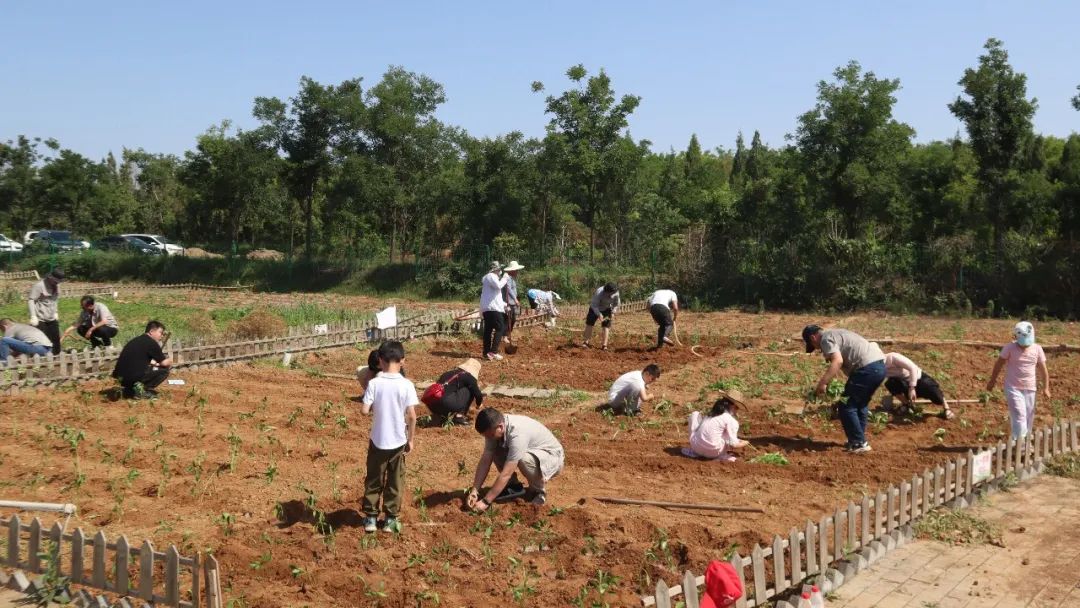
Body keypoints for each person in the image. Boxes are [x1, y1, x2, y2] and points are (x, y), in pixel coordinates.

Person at [360, 340, 418, 532]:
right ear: (402, 360)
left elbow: (364, 411)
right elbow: (411, 416)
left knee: (374, 478)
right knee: (395, 480)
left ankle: (370, 518)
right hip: (398, 441)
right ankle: (391, 519)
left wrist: (372, 403)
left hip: (378, 440)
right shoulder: (407, 385)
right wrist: (410, 439)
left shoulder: (374, 383)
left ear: (380, 361)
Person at [803, 324, 886, 454]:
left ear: (813, 337)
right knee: (860, 404)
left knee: (846, 405)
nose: (818, 349)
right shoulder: (837, 333)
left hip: (867, 368)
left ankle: (859, 443)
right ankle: (858, 439)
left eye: (814, 346)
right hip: (879, 367)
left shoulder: (825, 339)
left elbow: (837, 361)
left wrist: (823, 383)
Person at [468, 407, 564, 510]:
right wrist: (475, 491)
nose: (489, 438)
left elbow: (506, 474)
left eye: (490, 435)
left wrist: (486, 501)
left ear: (500, 427)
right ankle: (513, 485)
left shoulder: (517, 434)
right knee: (494, 448)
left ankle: (539, 492)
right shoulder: (495, 427)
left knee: (522, 458)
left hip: (551, 457)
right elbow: (486, 458)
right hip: (533, 451)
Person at [985, 321, 1050, 439]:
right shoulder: (1009, 348)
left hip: (1030, 388)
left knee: (1028, 417)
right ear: (1016, 337)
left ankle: (1023, 441)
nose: (1024, 345)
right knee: (1020, 415)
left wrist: (1046, 388)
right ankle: (1020, 445)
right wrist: (992, 381)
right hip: (1013, 387)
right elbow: (998, 364)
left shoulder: (1037, 349)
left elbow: (1043, 370)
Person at [882, 350, 953, 420]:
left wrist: (912, 388)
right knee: (890, 383)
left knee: (934, 393)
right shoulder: (877, 367)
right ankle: (906, 405)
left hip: (919, 379)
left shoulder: (893, 357)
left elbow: (913, 368)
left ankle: (946, 408)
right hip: (905, 383)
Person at [682, 390, 750, 462]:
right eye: (737, 408)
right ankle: (720, 456)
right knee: (726, 434)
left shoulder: (711, 413)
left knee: (695, 414)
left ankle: (695, 452)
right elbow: (734, 445)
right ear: (733, 406)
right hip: (714, 453)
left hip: (696, 448)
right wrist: (746, 442)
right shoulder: (731, 420)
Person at [112, 320, 172, 399]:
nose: (162, 336)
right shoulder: (151, 343)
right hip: (132, 378)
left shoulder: (136, 340)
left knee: (149, 368)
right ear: (151, 331)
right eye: (160, 333)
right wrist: (171, 360)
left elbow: (138, 358)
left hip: (120, 378)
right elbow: (164, 363)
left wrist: (154, 363)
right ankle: (141, 391)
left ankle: (130, 390)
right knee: (164, 370)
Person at [426, 358, 484, 425]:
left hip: (432, 404)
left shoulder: (447, 373)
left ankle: (440, 416)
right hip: (447, 404)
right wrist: (479, 404)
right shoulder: (469, 377)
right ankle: (459, 416)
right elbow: (478, 394)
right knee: (470, 389)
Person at [28, 268, 64, 355]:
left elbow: (55, 300)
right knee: (42, 340)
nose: (57, 283)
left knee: (55, 340)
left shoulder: (56, 286)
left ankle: (56, 356)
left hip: (51, 317)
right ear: (50, 277)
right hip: (40, 318)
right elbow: (31, 300)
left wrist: (55, 312)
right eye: (55, 281)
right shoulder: (39, 286)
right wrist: (33, 316)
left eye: (58, 282)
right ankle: (41, 357)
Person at [479, 261, 509, 361]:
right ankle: (493, 352)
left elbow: (493, 295)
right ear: (496, 269)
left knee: (488, 330)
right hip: (493, 308)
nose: (500, 270)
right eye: (499, 269)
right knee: (500, 328)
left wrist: (504, 304)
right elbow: (499, 286)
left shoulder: (489, 278)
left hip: (488, 308)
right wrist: (505, 278)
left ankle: (486, 352)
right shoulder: (491, 276)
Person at [582, 282, 620, 350]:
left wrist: (613, 312)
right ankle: (585, 343)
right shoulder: (599, 292)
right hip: (595, 308)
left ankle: (604, 345)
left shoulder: (616, 292)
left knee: (606, 325)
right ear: (606, 292)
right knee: (589, 324)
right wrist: (599, 314)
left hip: (607, 308)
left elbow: (616, 304)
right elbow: (594, 305)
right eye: (610, 293)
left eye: (613, 292)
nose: (612, 294)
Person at [501, 261, 524, 348]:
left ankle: (507, 334)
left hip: (512, 302)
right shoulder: (508, 279)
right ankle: (505, 336)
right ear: (512, 270)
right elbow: (509, 290)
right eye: (516, 270)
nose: (517, 272)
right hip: (508, 302)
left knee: (513, 319)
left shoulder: (513, 278)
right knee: (508, 319)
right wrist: (515, 299)